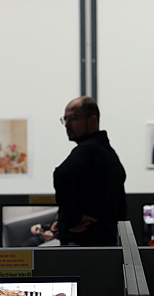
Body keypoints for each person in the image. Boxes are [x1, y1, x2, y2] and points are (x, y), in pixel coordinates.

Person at [53, 96, 127, 246]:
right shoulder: (106, 152)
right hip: (106, 242)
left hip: (83, 247)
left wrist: (72, 219)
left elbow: (61, 174)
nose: (66, 125)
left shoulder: (88, 150)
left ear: (92, 120)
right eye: (64, 119)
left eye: (72, 119)